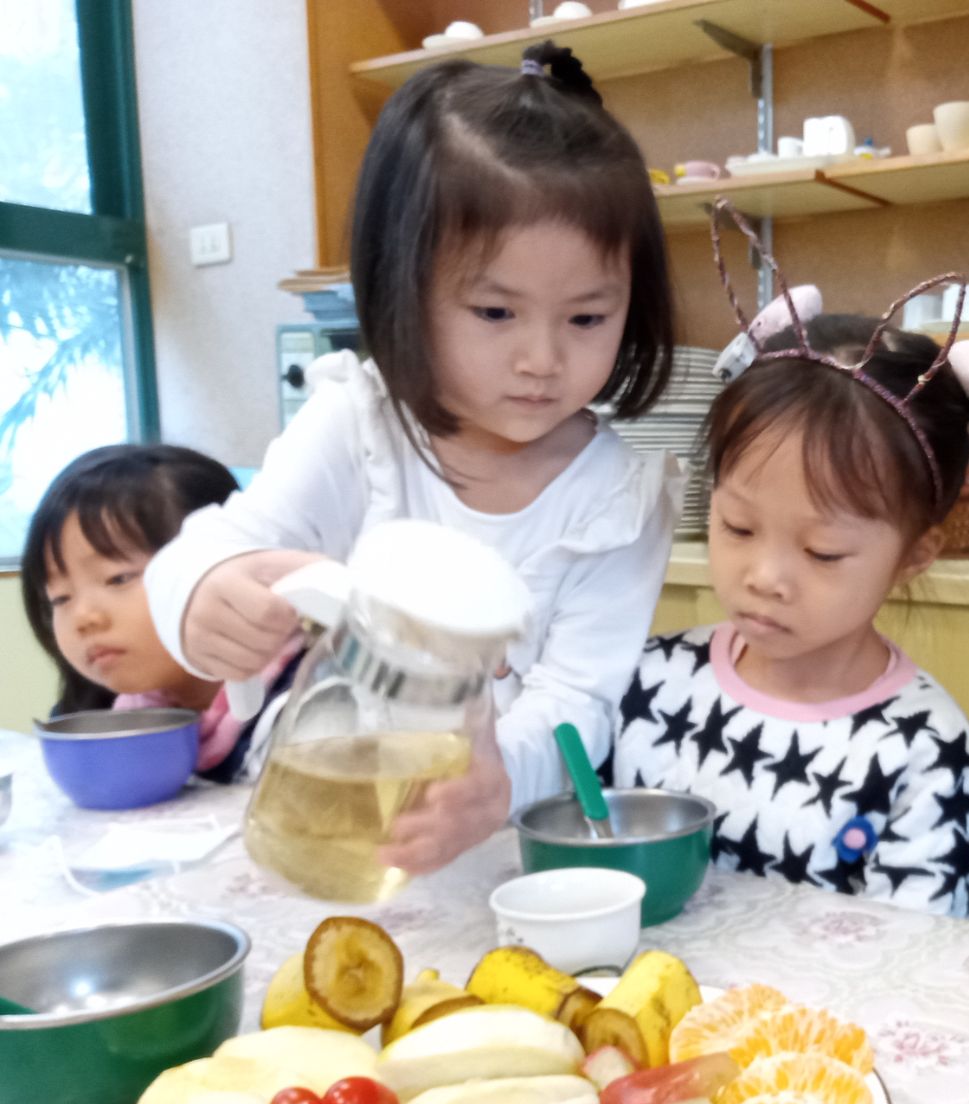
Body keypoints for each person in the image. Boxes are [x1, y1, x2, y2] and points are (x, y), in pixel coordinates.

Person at [144, 42, 679, 873]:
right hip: (325, 830)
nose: (542, 359)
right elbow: (213, 549)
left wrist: (496, 781)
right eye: (495, 312)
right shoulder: (359, 427)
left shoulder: (619, 499)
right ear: (404, 284)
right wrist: (204, 597)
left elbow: (578, 703)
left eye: (586, 319)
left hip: (499, 858)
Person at [609, 203, 969, 916]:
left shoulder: (922, 751)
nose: (765, 578)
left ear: (913, 555)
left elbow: (913, 963)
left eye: (822, 552)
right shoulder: (643, 685)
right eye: (737, 526)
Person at [23, 444, 298, 781]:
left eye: (118, 578)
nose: (83, 619)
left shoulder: (307, 701)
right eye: (60, 598)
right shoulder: (98, 711)